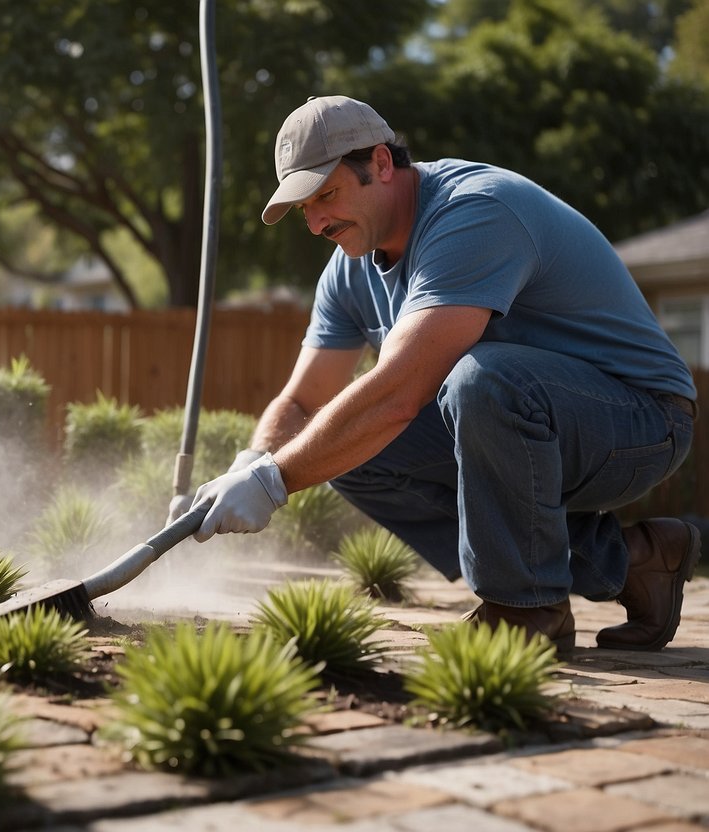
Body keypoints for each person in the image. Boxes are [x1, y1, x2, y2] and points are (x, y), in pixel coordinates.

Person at [175, 95, 700, 658]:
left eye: (326, 195)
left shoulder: (475, 212)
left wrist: (274, 485)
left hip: (641, 419)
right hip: (525, 420)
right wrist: (255, 461)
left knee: (480, 380)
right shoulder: (349, 269)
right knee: (346, 448)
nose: (316, 222)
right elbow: (304, 400)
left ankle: (526, 611)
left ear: (380, 163)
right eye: (304, 206)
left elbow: (401, 391)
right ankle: (638, 562)